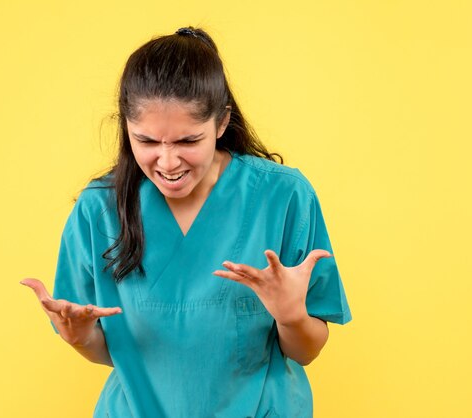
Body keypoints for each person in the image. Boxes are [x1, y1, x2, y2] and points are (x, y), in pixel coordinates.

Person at [21, 26, 351, 418]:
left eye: (187, 141)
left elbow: (306, 351)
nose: (167, 162)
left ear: (222, 123)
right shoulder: (99, 208)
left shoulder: (282, 198)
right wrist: (78, 337)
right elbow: (111, 353)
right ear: (125, 127)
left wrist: (291, 314)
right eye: (146, 141)